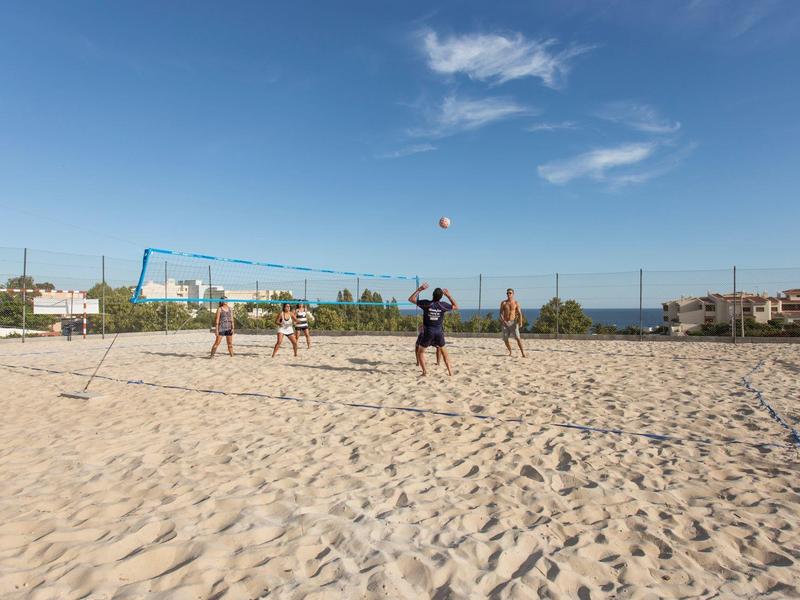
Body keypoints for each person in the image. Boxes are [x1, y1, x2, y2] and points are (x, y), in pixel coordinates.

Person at [408, 282, 458, 376]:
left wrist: (420, 289)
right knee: (444, 353)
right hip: (439, 332)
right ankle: (450, 372)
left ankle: (425, 372)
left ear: (432, 295)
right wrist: (449, 296)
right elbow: (456, 306)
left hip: (428, 332)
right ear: (441, 297)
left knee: (420, 352)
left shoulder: (427, 304)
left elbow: (411, 299)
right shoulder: (443, 305)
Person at [500, 288, 526, 357]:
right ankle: (510, 351)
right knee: (505, 339)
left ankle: (523, 353)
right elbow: (500, 313)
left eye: (510, 293)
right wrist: (503, 321)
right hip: (505, 323)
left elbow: (520, 313)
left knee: (518, 338)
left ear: (513, 294)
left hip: (513, 323)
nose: (508, 294)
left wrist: (520, 322)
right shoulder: (503, 303)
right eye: (507, 293)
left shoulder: (516, 303)